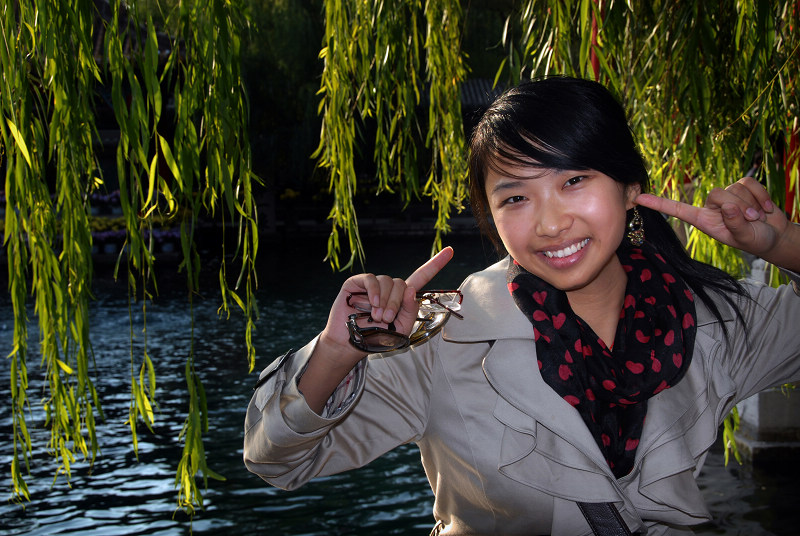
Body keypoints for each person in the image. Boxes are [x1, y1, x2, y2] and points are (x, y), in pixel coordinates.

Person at [244, 76, 800, 535]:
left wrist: (783, 246)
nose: (550, 222)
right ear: (490, 215)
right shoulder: (444, 335)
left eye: (575, 180)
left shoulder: (706, 319)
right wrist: (338, 352)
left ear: (632, 188)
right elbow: (277, 461)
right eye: (515, 196)